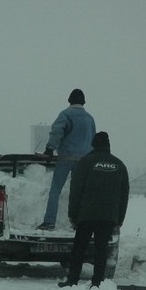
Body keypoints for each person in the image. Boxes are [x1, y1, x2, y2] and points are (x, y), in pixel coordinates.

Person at [58, 131, 129, 288]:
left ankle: (72, 280)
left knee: (79, 248)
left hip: (87, 215)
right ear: (108, 145)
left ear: (93, 144)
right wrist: (120, 219)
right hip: (108, 217)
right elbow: (124, 195)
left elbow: (76, 190)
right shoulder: (119, 165)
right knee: (101, 249)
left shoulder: (86, 162)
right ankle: (97, 282)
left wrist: (73, 214)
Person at [37, 88, 96, 230]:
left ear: (69, 100)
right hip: (84, 160)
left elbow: (57, 131)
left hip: (66, 158)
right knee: (78, 192)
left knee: (55, 190)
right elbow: (93, 139)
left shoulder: (66, 114)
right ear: (83, 102)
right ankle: (77, 222)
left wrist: (50, 148)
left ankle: (49, 221)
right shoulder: (89, 119)